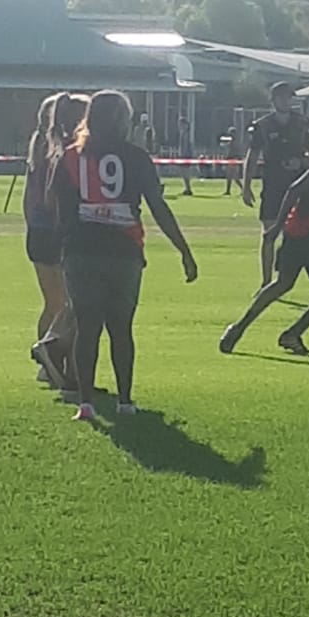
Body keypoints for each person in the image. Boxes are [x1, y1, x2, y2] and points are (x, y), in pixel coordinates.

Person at [48, 89, 198, 421]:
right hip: (124, 249)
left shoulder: (70, 157)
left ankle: (85, 402)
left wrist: (65, 248)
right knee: (121, 327)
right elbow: (158, 206)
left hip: (82, 250)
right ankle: (125, 400)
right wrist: (183, 249)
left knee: (87, 328)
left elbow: (60, 210)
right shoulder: (136, 157)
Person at [219, 118, 309, 358]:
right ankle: (245, 328)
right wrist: (277, 227)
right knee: (290, 283)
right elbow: (295, 189)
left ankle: (286, 333)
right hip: (305, 231)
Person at [25, 92, 87, 388]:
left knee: (52, 303)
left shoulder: (37, 145)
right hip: (57, 230)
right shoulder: (66, 150)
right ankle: (53, 352)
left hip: (37, 231)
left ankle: (47, 365)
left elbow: (28, 197)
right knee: (73, 304)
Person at [241, 81, 309, 284]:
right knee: (268, 233)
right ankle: (266, 281)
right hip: (273, 186)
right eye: (281, 97)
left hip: (298, 185)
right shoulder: (262, 126)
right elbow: (252, 155)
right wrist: (246, 186)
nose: (286, 101)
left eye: (288, 97)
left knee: (304, 234)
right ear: (273, 100)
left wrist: (302, 161)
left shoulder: (301, 123)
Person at [178, 114, 194, 195]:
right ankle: (187, 188)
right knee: (184, 173)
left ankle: (188, 188)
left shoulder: (186, 134)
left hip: (185, 155)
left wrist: (184, 154)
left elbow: (187, 145)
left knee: (185, 172)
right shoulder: (183, 133)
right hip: (183, 155)